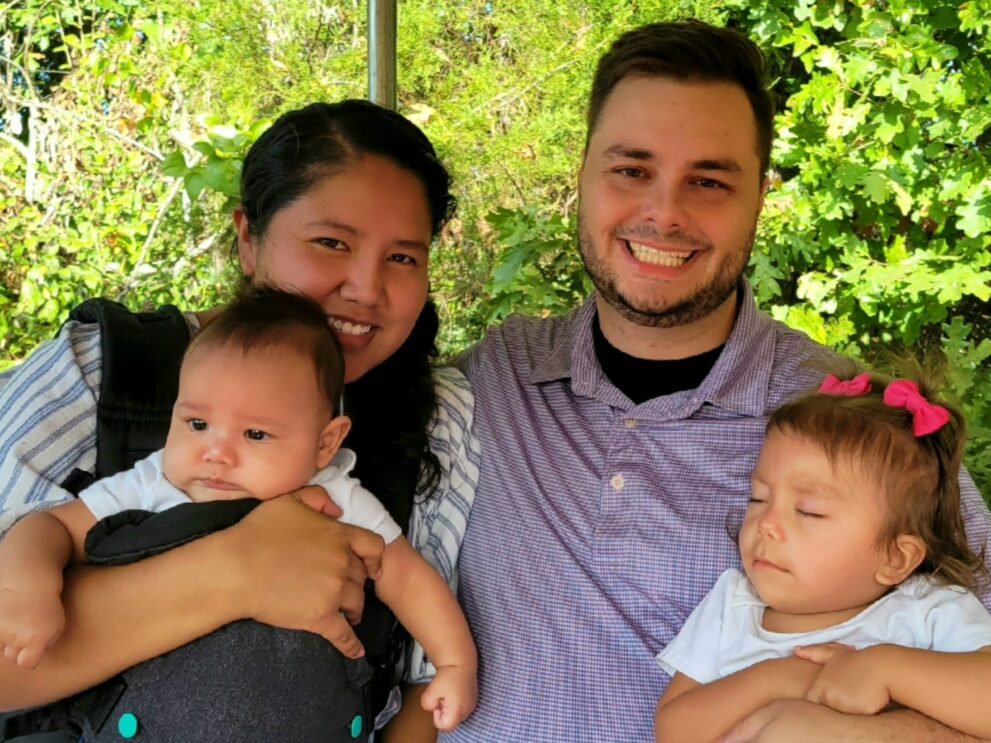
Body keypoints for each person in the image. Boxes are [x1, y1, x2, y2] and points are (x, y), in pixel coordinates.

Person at [389, 19, 991, 743]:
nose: (664, 213)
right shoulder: (493, 379)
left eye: (708, 181)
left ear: (759, 197)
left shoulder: (853, 426)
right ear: (582, 174)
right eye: (631, 170)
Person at [0, 100, 480, 734]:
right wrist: (236, 573)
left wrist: (455, 667)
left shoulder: (433, 424)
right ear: (248, 237)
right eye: (331, 243)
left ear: (329, 442)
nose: (367, 288)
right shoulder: (103, 376)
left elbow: (420, 681)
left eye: (402, 258)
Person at [0, 286, 478, 731]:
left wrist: (455, 663)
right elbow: (53, 526)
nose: (217, 453)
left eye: (255, 434)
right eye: (198, 423)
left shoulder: (336, 498)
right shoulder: (155, 481)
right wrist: (27, 584)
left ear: (325, 443)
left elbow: (406, 577)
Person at [655, 367, 991, 742]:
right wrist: (783, 678)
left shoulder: (926, 609)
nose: (766, 523)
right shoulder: (734, 606)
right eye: (759, 498)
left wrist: (887, 668)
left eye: (809, 511)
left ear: (895, 558)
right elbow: (675, 731)